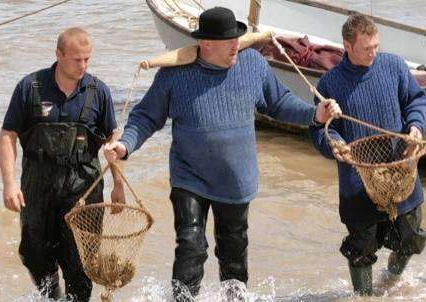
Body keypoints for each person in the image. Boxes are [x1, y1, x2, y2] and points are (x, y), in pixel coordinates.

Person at [104, 7, 340, 301]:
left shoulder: (252, 64)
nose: (235, 46)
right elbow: (146, 117)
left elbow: (279, 103)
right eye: (229, 41)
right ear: (206, 44)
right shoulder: (175, 74)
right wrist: (125, 145)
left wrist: (315, 114)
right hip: (189, 177)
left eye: (237, 39)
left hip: (236, 180)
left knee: (233, 252)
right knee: (190, 246)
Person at [0, 27, 124, 301]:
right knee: (35, 255)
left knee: (80, 264)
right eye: (77, 59)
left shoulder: (98, 91)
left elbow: (111, 140)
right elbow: (8, 135)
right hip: (37, 186)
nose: (83, 66)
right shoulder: (29, 88)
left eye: (87, 59)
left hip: (84, 189)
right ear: (58, 55)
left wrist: (118, 186)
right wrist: (8, 184)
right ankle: (53, 295)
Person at [309, 14, 426, 296]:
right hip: (357, 181)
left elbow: (416, 99)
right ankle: (363, 298)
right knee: (360, 250)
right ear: (347, 47)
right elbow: (319, 131)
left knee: (412, 239)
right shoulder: (328, 85)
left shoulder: (394, 66)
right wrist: (334, 143)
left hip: (401, 174)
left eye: (376, 45)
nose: (373, 52)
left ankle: (390, 280)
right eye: (366, 48)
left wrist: (415, 126)